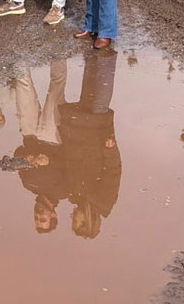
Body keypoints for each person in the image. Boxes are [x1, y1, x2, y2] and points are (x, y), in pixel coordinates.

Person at [61, 48, 121, 239]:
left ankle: (91, 55)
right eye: (76, 220)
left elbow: (67, 163)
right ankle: (107, 56)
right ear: (87, 220)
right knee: (101, 99)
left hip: (78, 135)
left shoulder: (74, 195)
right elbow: (113, 172)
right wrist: (110, 151)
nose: (72, 216)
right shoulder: (104, 201)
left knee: (86, 94)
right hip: (98, 142)